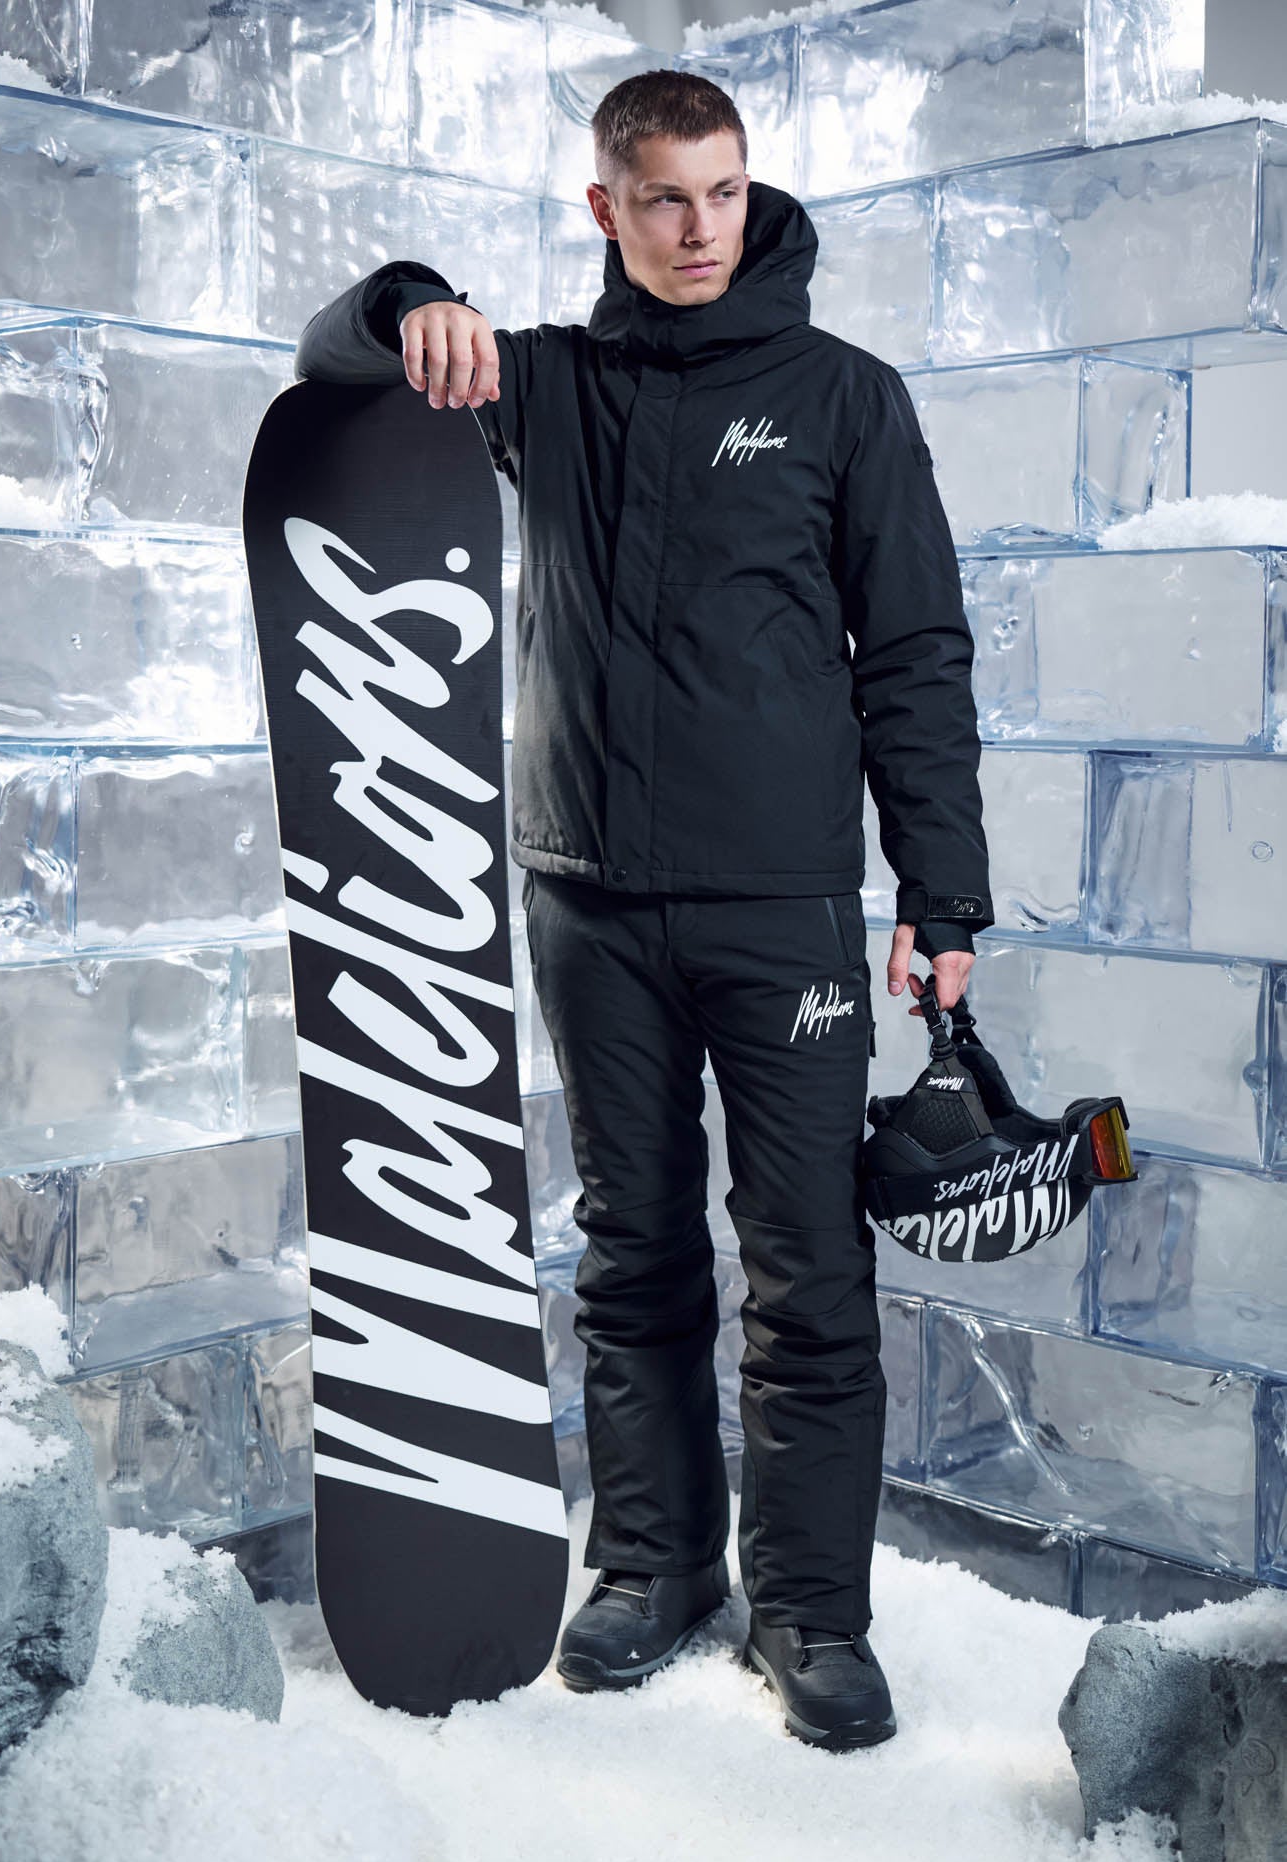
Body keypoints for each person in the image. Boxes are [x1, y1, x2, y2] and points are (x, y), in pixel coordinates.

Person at [294, 70, 994, 1753]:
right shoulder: (541, 384)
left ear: (750, 194)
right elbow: (333, 356)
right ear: (604, 207)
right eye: (664, 197)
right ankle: (655, 1569)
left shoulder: (844, 397)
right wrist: (411, 303)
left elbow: (913, 652)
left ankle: (809, 1609)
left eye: (723, 192)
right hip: (586, 903)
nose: (699, 229)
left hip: (781, 911)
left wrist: (942, 892)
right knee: (632, 1250)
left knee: (806, 1266)